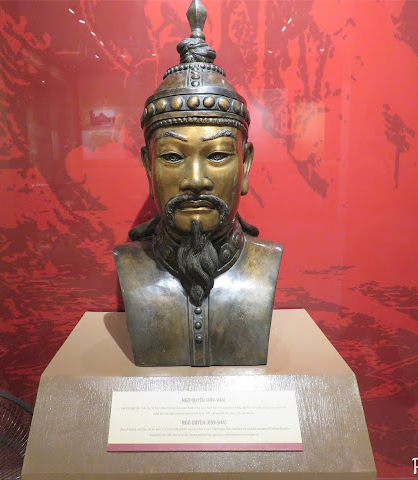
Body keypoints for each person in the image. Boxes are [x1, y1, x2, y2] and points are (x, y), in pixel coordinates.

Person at [114, 0, 282, 367]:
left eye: (217, 155)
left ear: (245, 165)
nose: (195, 181)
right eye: (173, 157)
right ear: (148, 168)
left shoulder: (266, 264)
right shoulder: (130, 266)